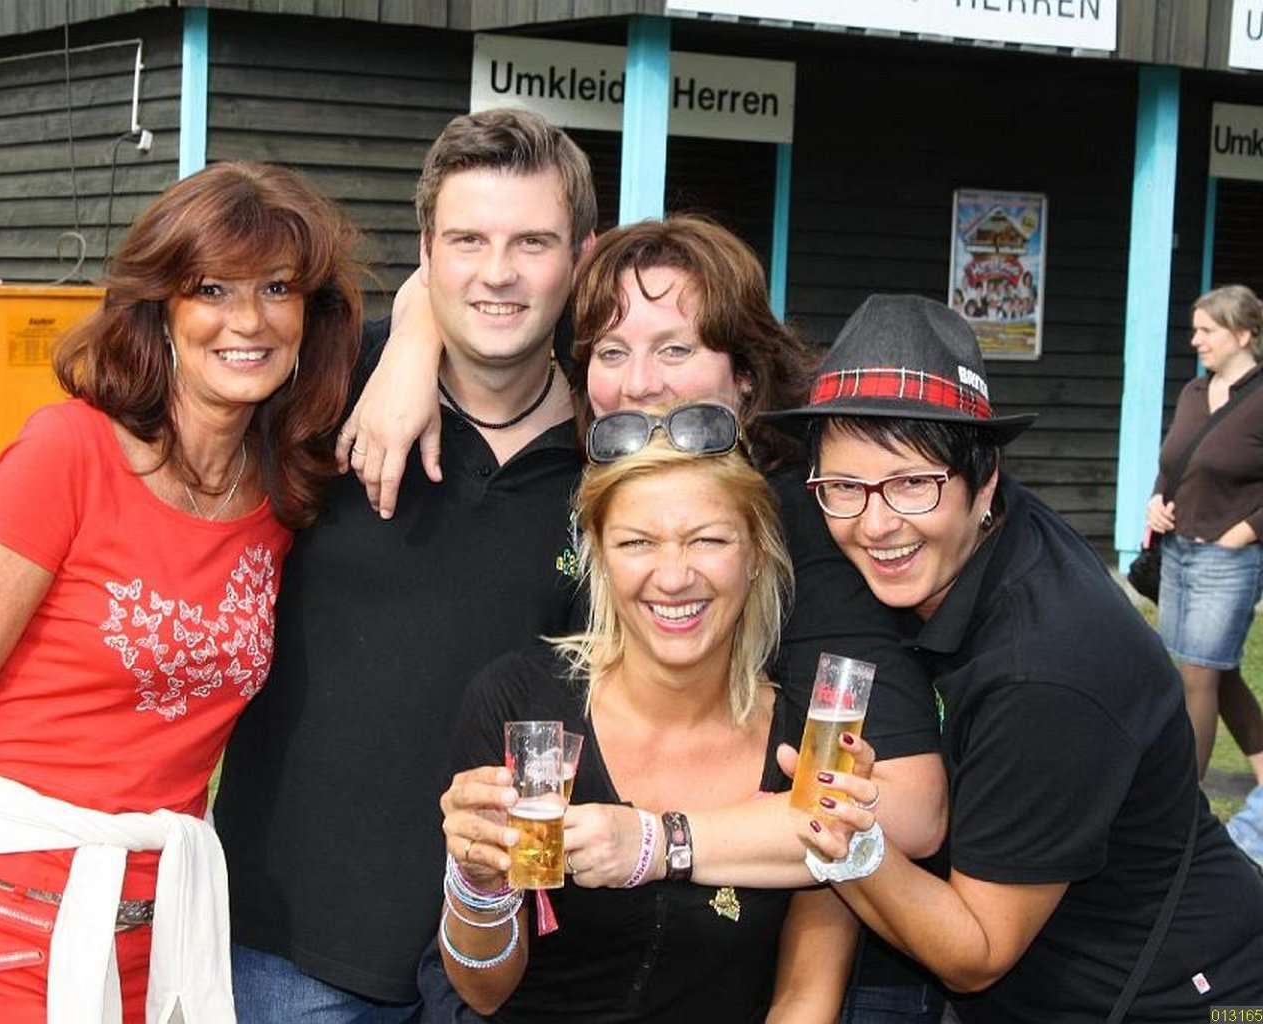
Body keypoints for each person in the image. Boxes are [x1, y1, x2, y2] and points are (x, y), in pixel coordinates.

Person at [0, 107, 593, 1023]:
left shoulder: (591, 452)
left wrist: (412, 339)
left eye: (532, 242)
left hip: (403, 946)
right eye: (467, 240)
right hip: (204, 938)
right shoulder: (224, 419)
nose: (497, 270)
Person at [346, 216, 949, 1023]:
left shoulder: (803, 624)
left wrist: (657, 843)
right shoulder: (530, 680)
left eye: (675, 349)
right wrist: (411, 343)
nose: (638, 385)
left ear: (746, 379)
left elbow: (898, 815)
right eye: (610, 352)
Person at [0, 161, 363, 1023]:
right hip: (5, 922)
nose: (248, 320)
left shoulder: (282, 494)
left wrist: (415, 336)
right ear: (160, 308)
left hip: (163, 934)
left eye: (276, 288)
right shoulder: (67, 453)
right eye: (212, 289)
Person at [770, 294, 1263, 1021]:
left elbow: (974, 953)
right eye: (844, 488)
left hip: (1184, 998)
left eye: (912, 484)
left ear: (985, 477)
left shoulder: (1044, 666)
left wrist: (849, 842)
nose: (875, 524)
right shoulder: (981, 536)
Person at [436, 404, 859, 1021]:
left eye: (708, 540)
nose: (674, 576)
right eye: (637, 543)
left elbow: (806, 997)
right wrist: (478, 886)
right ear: (600, 558)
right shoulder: (520, 705)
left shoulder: (806, 742)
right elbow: (484, 991)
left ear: (756, 554)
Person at [1146, 284, 1263, 865]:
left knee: (1197, 676)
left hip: (1228, 558)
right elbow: (1175, 461)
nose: (1195, 341)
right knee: (1214, 672)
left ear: (1243, 334)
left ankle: (1178, 814)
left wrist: (1246, 531)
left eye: (1207, 331)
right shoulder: (1194, 391)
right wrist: (1155, 500)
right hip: (1179, 552)